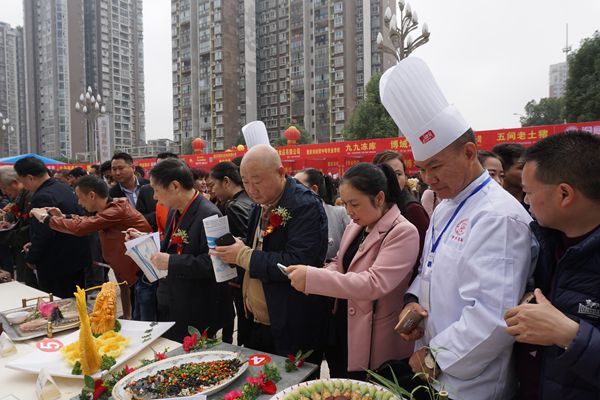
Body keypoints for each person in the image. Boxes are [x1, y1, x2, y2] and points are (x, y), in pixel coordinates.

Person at [380, 57, 537, 399]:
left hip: (474, 383)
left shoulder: (499, 216)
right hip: (434, 366)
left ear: (469, 152)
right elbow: (429, 268)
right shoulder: (443, 205)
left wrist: (437, 356)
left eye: (435, 165)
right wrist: (412, 304)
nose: (428, 178)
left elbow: (495, 315)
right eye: (421, 168)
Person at [288, 163, 419, 380]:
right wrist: (317, 272)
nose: (349, 211)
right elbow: (341, 262)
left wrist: (313, 278)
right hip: (342, 328)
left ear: (379, 198)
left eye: (355, 204)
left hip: (373, 339)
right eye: (346, 203)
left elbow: (373, 283)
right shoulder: (357, 225)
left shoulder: (402, 232)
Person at [504, 131, 600, 400]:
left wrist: (569, 335)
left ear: (564, 194)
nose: (526, 201)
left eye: (529, 192)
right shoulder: (544, 241)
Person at [211, 144, 329, 363]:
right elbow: (261, 245)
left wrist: (242, 255)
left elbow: (296, 263)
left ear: (281, 172)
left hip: (290, 322)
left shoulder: (304, 205)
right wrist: (236, 248)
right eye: (245, 182)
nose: (252, 190)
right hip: (257, 320)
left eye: (257, 181)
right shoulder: (261, 202)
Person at [126, 158, 231, 341]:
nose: (155, 197)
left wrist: (171, 262)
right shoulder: (175, 211)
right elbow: (173, 247)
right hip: (173, 299)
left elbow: (218, 264)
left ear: (175, 186)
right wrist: (144, 241)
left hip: (198, 307)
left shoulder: (211, 214)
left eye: (157, 190)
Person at [30, 175, 154, 320]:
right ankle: (129, 317)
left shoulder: (117, 210)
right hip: (133, 272)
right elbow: (89, 221)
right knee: (138, 314)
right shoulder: (109, 210)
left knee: (146, 320)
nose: (79, 202)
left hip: (144, 274)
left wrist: (46, 218)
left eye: (80, 197)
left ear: (92, 195)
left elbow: (82, 227)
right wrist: (63, 217)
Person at [14, 157, 91, 298]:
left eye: (22, 181)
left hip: (57, 264)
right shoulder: (63, 187)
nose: (24, 186)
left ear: (30, 178)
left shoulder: (42, 197)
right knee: (77, 303)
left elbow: (43, 234)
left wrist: (32, 258)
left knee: (60, 307)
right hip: (75, 259)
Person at [210, 161, 254, 345]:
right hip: (254, 271)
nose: (212, 191)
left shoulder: (233, 207)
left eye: (213, 185)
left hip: (243, 275)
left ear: (226, 181)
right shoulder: (251, 200)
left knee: (245, 320)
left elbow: (242, 242)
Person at [372, 150, 430, 269]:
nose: (393, 179)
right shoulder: (377, 206)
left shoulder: (413, 210)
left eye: (398, 174)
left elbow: (423, 256)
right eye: (386, 173)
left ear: (406, 177)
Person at [294, 168, 350, 261]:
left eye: (297, 187)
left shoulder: (340, 214)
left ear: (314, 189)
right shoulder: (291, 216)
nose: (292, 191)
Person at [0, 166, 37, 287]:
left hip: (30, 247)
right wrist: (10, 225)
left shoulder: (31, 196)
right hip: (22, 247)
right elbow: (21, 219)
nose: (5, 193)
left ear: (15, 182)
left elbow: (31, 226)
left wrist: (5, 235)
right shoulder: (20, 197)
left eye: (5, 188)